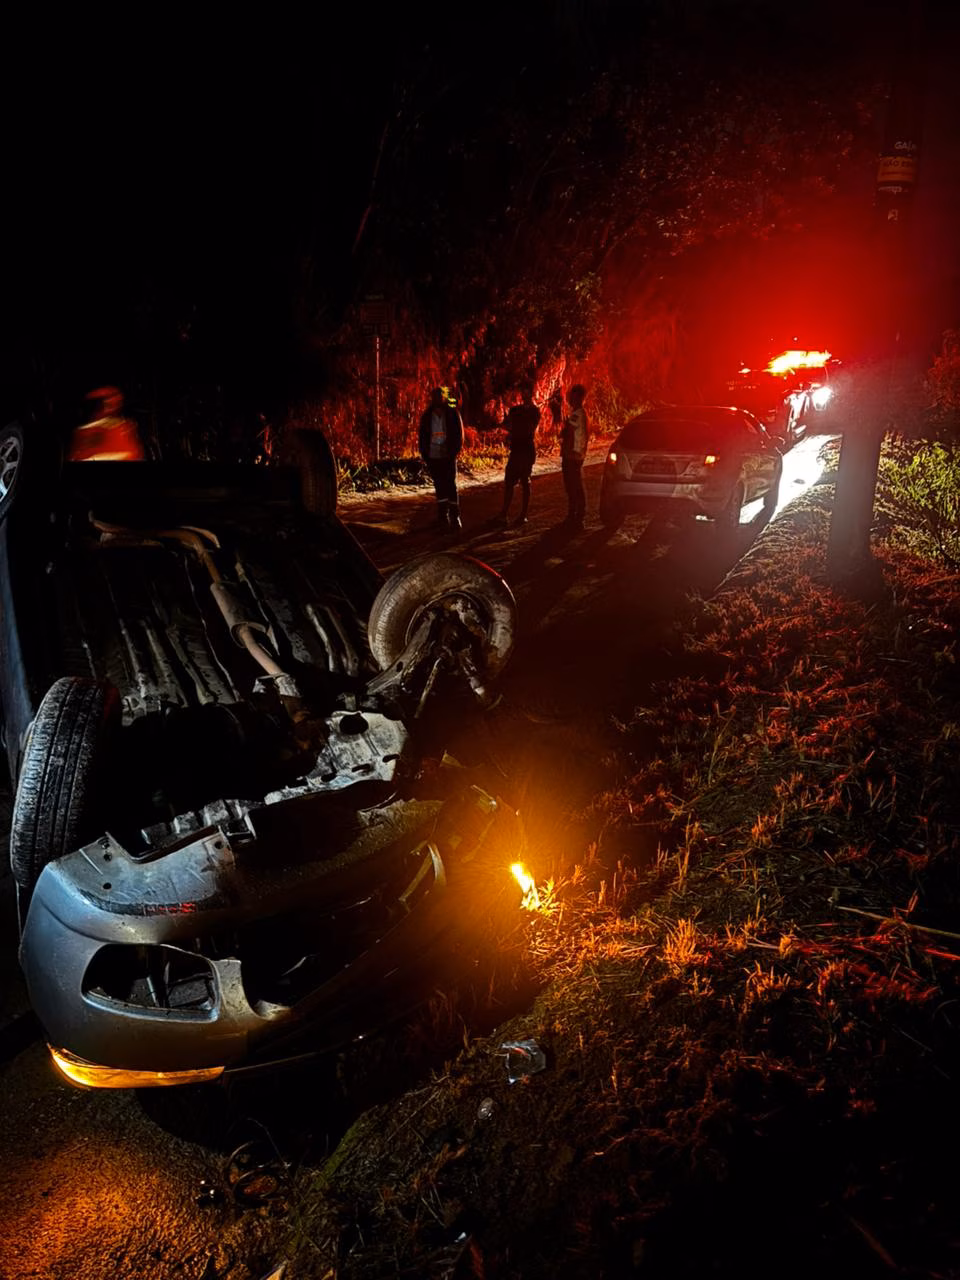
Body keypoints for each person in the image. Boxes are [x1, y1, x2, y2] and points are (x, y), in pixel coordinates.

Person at [418, 386, 464, 529]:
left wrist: (454, 451)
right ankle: (443, 517)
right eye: (435, 396)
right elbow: (423, 436)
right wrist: (425, 454)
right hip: (433, 455)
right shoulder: (427, 415)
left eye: (440, 396)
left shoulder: (451, 413)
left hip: (448, 455)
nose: (438, 399)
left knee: (451, 484)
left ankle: (455, 517)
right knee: (439, 485)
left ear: (443, 398)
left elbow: (459, 434)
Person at [497, 386, 540, 524]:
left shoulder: (533, 411)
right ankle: (504, 514)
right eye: (523, 391)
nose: (524, 393)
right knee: (509, 480)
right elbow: (508, 424)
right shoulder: (517, 410)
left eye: (527, 391)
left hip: (526, 450)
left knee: (525, 481)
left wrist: (515, 426)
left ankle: (523, 515)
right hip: (517, 449)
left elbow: (529, 428)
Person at [68, 386, 146, 462]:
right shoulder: (84, 431)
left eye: (114, 399)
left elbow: (133, 453)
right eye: (106, 401)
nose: (112, 404)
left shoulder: (125, 426)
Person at [559, 383, 588, 528]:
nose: (569, 398)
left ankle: (577, 516)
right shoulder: (578, 414)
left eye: (571, 396)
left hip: (572, 456)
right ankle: (575, 515)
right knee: (574, 486)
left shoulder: (578, 415)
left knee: (574, 487)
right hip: (574, 455)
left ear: (577, 397)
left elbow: (568, 433)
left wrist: (564, 427)